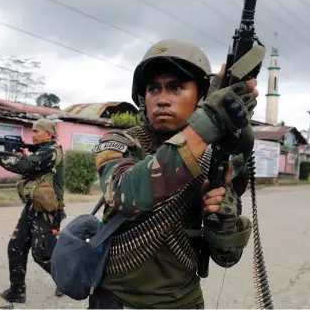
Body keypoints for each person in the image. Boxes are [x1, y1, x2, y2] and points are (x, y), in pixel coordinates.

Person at [89, 39, 259, 309]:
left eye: (176, 87)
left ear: (201, 97)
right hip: (115, 300)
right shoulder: (121, 142)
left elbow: (228, 257)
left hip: (184, 302)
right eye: (153, 88)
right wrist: (209, 122)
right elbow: (124, 194)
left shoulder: (218, 157)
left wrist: (221, 222)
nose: (162, 99)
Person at [0, 118, 66, 303]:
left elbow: (24, 166)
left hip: (47, 211)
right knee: (16, 247)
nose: (33, 135)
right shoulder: (42, 152)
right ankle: (17, 291)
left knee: (42, 255)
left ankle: (66, 280)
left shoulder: (51, 152)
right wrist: (17, 155)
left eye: (37, 131)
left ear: (48, 134)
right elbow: (29, 169)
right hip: (32, 208)